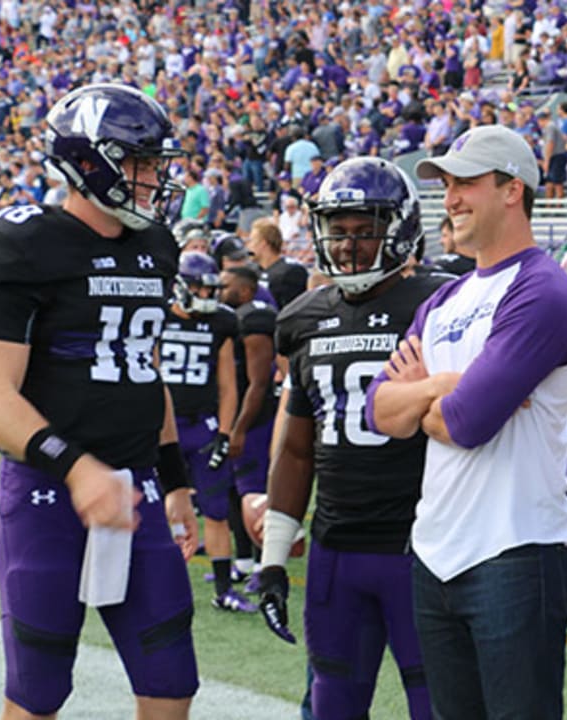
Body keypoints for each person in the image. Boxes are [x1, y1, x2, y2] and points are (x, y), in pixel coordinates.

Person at [0, 83, 200, 718]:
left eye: (156, 164)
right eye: (140, 163)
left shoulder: (156, 247)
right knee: (38, 690)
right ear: (88, 161)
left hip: (136, 486)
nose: (152, 179)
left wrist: (175, 478)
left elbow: (145, 366)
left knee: (171, 675)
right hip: (47, 494)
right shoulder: (24, 242)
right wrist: (76, 467)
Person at [368, 124, 567, 718]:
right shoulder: (443, 300)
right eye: (447, 185)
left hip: (514, 552)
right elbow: (378, 412)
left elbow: (467, 421)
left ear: (512, 189)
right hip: (436, 551)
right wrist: (444, 386)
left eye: (465, 182)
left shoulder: (542, 289)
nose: (451, 198)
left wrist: (426, 397)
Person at [261, 157, 444, 719]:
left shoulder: (440, 304)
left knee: (437, 704)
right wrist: (272, 556)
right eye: (337, 232)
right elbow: (296, 446)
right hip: (335, 547)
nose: (347, 246)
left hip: (423, 549)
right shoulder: (303, 317)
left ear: (401, 229)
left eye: (364, 231)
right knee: (332, 703)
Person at [158, 251, 253, 612]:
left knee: (215, 510)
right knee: (154, 508)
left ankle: (224, 589)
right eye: (199, 287)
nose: (206, 295)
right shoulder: (158, 316)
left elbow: (228, 385)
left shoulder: (221, 323)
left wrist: (225, 433)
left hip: (203, 426)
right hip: (162, 426)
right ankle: (154, 584)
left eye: (210, 288)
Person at [219, 263, 278, 582]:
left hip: (255, 420)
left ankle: (262, 565)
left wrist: (239, 428)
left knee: (254, 496)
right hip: (238, 416)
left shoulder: (254, 319)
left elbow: (258, 383)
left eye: (226, 285)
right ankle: (241, 562)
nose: (219, 289)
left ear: (244, 291)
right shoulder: (232, 318)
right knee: (230, 491)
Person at [245, 217, 309, 311]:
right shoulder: (252, 270)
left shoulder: (291, 272)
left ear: (263, 243)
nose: (248, 246)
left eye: (252, 241)